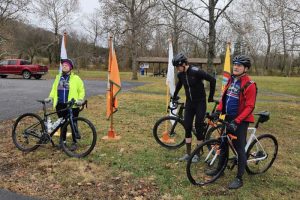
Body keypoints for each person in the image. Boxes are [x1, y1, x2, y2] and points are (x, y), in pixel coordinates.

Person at [211, 55, 257, 189]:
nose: (236, 67)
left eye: (239, 65)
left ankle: (239, 178)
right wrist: (218, 111)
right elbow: (224, 98)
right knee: (223, 142)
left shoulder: (250, 84)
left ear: (246, 68)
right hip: (228, 117)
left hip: (240, 120)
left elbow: (250, 106)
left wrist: (237, 121)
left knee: (239, 148)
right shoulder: (231, 80)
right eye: (235, 64)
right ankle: (220, 170)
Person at [171, 53, 216, 163]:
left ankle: (198, 153)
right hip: (190, 103)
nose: (177, 69)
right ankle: (188, 153)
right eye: (176, 67)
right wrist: (175, 95)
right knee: (187, 126)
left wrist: (210, 97)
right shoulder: (181, 74)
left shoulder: (196, 71)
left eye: (178, 67)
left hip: (200, 103)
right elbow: (179, 85)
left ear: (184, 64)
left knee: (198, 126)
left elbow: (212, 80)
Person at [44, 58, 85, 150]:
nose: (64, 66)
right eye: (63, 65)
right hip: (60, 104)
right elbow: (54, 89)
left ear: (70, 67)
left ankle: (75, 142)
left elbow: (81, 90)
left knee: (73, 123)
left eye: (66, 65)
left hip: (72, 105)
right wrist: (50, 97)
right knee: (62, 124)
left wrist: (80, 99)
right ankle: (63, 142)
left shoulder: (76, 78)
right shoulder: (58, 77)